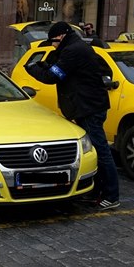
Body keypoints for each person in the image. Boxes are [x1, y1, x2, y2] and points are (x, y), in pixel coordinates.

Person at [24, 21, 120, 211]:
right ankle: (98, 191)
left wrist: (33, 69)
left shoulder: (74, 50)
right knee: (92, 151)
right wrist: (45, 63)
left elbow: (52, 76)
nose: (52, 45)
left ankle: (111, 194)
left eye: (53, 41)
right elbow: (57, 65)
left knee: (101, 152)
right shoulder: (74, 47)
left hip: (89, 108)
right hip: (86, 106)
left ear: (61, 37)